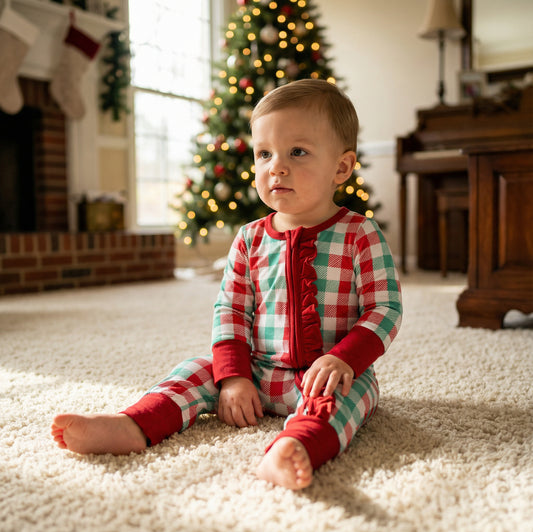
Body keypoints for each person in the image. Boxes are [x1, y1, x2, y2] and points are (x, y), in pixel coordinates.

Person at [51, 79, 402, 490]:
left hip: (329, 374)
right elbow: (231, 310)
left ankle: (297, 446)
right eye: (264, 153)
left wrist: (344, 358)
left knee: (343, 401)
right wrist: (234, 376)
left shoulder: (360, 234)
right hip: (257, 369)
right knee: (197, 370)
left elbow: (385, 309)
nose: (277, 167)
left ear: (341, 168)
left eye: (298, 152)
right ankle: (134, 424)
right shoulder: (250, 238)